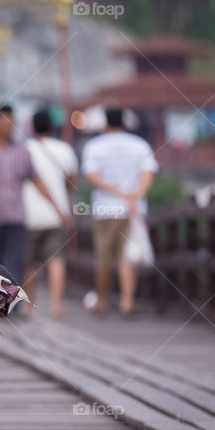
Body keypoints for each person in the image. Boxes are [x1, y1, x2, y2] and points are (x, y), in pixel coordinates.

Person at [0, 105, 62, 289]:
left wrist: (57, 207)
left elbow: (37, 180)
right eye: (5, 122)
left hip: (16, 219)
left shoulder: (21, 151)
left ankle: (12, 306)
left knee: (16, 263)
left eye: (12, 122)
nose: (9, 126)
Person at [81, 107, 157, 316]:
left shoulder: (95, 146)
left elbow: (92, 176)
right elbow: (148, 173)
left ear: (105, 123)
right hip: (133, 210)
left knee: (105, 257)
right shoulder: (139, 145)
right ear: (124, 122)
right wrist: (135, 195)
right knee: (126, 257)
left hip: (106, 209)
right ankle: (127, 301)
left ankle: (103, 302)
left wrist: (119, 192)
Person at [23, 110, 77, 319]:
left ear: (33, 127)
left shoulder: (25, 149)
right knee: (56, 259)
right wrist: (67, 207)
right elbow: (72, 181)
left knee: (30, 262)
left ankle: (28, 305)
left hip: (28, 214)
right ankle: (56, 305)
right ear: (52, 128)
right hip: (57, 214)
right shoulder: (65, 149)